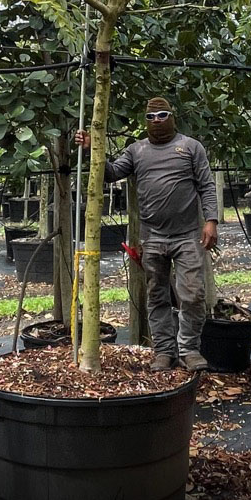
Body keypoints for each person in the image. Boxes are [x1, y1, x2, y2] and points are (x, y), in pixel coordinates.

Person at [75, 96, 218, 371]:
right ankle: (164, 351)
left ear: (172, 117)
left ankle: (189, 349)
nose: (157, 121)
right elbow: (111, 173)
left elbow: (206, 185)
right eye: (151, 117)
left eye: (162, 115)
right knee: (157, 295)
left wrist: (211, 220)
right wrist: (93, 148)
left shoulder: (190, 147)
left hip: (187, 235)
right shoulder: (136, 151)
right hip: (152, 237)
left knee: (193, 294)